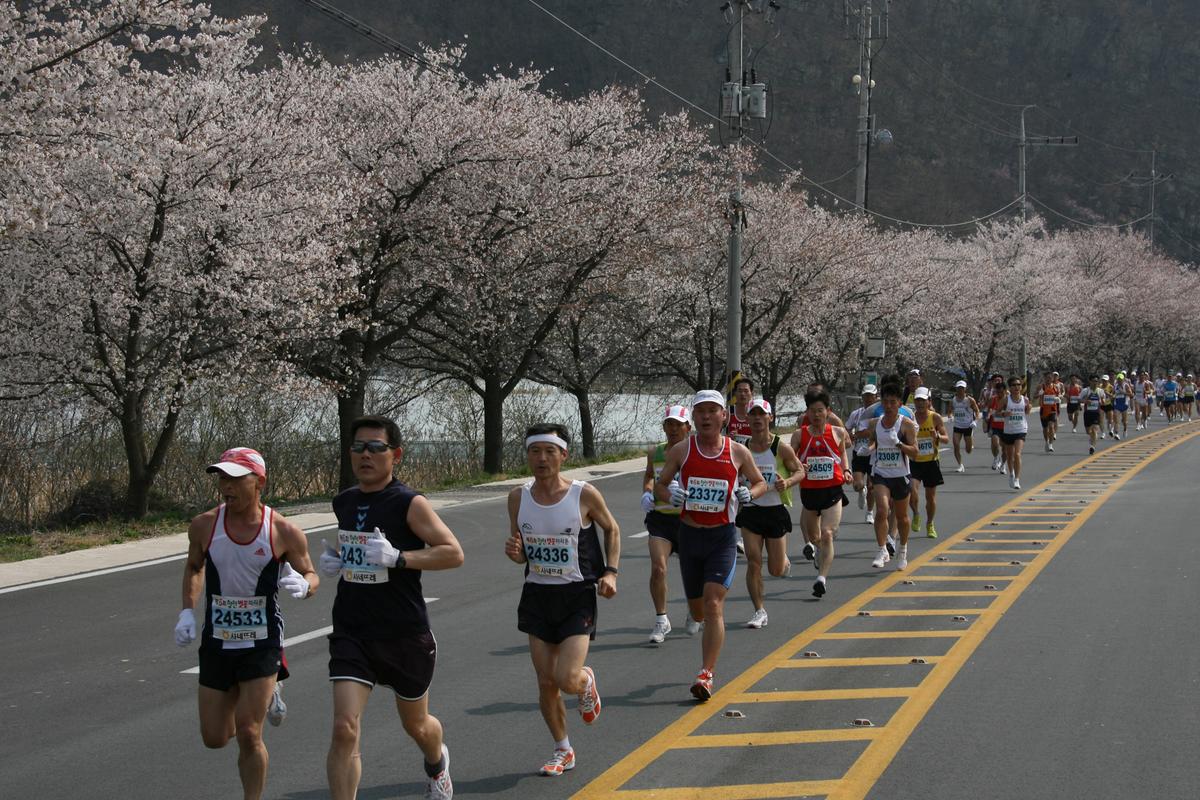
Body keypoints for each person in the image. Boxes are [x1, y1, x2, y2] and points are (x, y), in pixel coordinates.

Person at [318, 416, 464, 800]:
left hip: (403, 633)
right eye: (358, 447)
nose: (366, 455)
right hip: (353, 631)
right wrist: (339, 561)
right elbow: (358, 551)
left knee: (418, 726)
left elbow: (452, 553)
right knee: (344, 728)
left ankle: (436, 762)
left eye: (376, 448)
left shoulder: (409, 503)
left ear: (395, 455)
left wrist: (399, 558)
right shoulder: (344, 501)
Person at [175, 447, 319, 800]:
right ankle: (263, 695)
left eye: (236, 478)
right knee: (214, 737)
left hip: (262, 642)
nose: (227, 485)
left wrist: (305, 586)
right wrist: (186, 611)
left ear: (260, 483)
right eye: (223, 478)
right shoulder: (204, 525)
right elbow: (195, 567)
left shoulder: (283, 531)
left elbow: (311, 574)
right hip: (218, 642)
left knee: (249, 732)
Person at [503, 423, 620, 776]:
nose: (541, 459)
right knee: (545, 682)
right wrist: (516, 553)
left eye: (549, 452)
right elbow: (521, 550)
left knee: (566, 679)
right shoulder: (517, 497)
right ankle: (563, 749)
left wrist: (611, 571)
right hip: (537, 595)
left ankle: (585, 681)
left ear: (563, 455)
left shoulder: (583, 494)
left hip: (577, 594)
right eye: (534, 451)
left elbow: (612, 528)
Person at [654, 389, 768, 701]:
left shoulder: (737, 452)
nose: (706, 416)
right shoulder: (682, 450)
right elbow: (659, 485)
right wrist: (670, 495)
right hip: (689, 537)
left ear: (724, 417)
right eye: (700, 411)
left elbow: (760, 482)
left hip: (722, 537)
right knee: (698, 608)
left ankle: (706, 674)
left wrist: (750, 494)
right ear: (694, 417)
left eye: (712, 411)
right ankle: (695, 615)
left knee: (714, 603)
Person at [737, 399, 804, 624]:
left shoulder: (780, 447)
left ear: (770, 418)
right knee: (753, 560)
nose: (757, 418)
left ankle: (783, 561)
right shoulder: (741, 448)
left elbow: (800, 471)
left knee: (775, 570)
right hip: (751, 511)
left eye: (761, 414)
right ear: (747, 419)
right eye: (752, 414)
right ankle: (759, 611)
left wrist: (788, 482)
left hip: (775, 510)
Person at [794, 389, 851, 598]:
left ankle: (821, 579)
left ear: (827, 411)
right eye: (812, 411)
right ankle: (819, 550)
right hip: (809, 492)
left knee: (827, 534)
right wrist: (798, 465)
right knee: (815, 537)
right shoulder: (800, 435)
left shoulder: (837, 432)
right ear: (807, 412)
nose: (816, 415)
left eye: (820, 411)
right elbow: (790, 457)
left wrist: (846, 470)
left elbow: (843, 455)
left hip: (832, 490)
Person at [641, 405, 691, 644]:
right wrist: (648, 492)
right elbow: (650, 475)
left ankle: (696, 609)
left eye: (678, 425)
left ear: (688, 428)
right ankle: (662, 619)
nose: (673, 429)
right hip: (661, 519)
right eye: (669, 424)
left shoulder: (696, 451)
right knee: (658, 568)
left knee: (693, 573)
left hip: (690, 519)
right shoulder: (656, 452)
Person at [868, 382, 919, 570]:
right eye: (885, 402)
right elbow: (875, 442)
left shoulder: (906, 425)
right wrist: (869, 449)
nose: (888, 406)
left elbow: (915, 452)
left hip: (901, 475)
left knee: (902, 516)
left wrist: (899, 444)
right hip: (881, 472)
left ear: (899, 404)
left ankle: (903, 549)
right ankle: (882, 550)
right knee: (881, 510)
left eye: (892, 402)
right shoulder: (875, 423)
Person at [909, 387, 949, 536]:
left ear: (929, 402)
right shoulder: (910, 418)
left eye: (923, 400)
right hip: (914, 461)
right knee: (912, 490)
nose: (920, 403)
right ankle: (916, 514)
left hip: (931, 462)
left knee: (930, 497)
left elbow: (946, 439)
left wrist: (937, 437)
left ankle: (930, 523)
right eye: (917, 400)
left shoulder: (935, 417)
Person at [845, 385, 879, 520]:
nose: (868, 399)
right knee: (858, 484)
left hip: (873, 454)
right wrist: (850, 437)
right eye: (866, 396)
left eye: (871, 396)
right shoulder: (856, 414)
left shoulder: (880, 414)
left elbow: (871, 432)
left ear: (876, 397)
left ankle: (870, 512)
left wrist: (860, 434)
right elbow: (846, 429)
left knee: (872, 486)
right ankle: (861, 491)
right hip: (859, 453)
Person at [1000, 377, 1032, 490]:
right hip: (1008, 430)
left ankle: (1017, 479)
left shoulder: (1025, 399)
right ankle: (1011, 474)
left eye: (1019, 385)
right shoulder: (1005, 399)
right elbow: (996, 413)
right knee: (1010, 456)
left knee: (1017, 454)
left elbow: (1027, 412)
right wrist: (1004, 413)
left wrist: (1029, 408)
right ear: (1010, 387)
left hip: (1021, 429)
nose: (1017, 387)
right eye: (1014, 385)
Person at [948, 380, 979, 472]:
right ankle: (960, 465)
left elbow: (977, 411)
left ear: (965, 389)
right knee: (956, 444)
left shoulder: (969, 400)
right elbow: (949, 411)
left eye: (962, 388)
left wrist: (975, 421)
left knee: (968, 450)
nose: (960, 390)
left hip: (968, 426)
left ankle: (970, 441)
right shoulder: (953, 400)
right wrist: (950, 417)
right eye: (958, 388)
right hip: (957, 426)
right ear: (956, 388)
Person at [1079, 377, 1108, 454]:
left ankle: (1092, 447)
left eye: (1096, 381)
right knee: (1088, 431)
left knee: (1095, 430)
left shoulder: (1100, 391)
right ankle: (1091, 438)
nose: (1095, 383)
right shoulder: (1086, 390)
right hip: (1088, 413)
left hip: (1096, 413)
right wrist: (1085, 401)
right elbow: (1079, 399)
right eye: (1093, 381)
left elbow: (1103, 399)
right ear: (1090, 381)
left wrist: (1103, 401)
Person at [1034, 372, 1061, 452]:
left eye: (1050, 378)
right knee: (1045, 428)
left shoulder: (1055, 387)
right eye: (1047, 378)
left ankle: (1051, 444)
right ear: (1044, 378)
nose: (1049, 379)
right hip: (1044, 410)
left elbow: (1059, 396)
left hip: (1052, 409)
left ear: (1052, 378)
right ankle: (1046, 442)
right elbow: (1034, 396)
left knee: (1051, 426)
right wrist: (1039, 394)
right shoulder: (1041, 386)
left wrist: (1057, 398)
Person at [726, 376, 754, 444]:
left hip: (752, 452)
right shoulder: (728, 412)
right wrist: (727, 438)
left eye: (746, 391)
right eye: (740, 391)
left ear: (752, 393)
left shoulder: (756, 412)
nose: (743, 394)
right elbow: (716, 437)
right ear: (735, 393)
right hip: (733, 452)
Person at [1111, 372, 1133, 439]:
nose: (1119, 380)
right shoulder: (1115, 386)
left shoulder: (1125, 385)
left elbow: (1131, 394)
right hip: (1117, 404)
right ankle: (1116, 434)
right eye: (1118, 379)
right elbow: (1113, 394)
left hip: (1124, 404)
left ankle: (1125, 429)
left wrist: (1123, 392)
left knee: (1124, 421)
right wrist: (1113, 396)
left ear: (1123, 379)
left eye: (1121, 379)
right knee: (1116, 420)